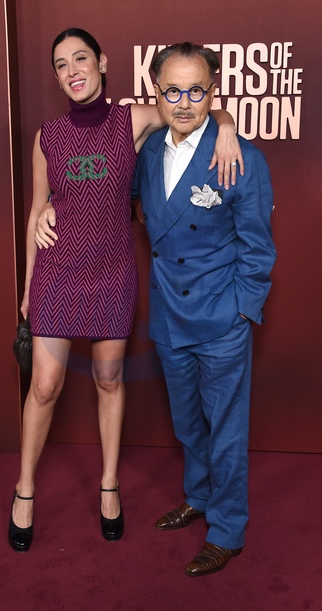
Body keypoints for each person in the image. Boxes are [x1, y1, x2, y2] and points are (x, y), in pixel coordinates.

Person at [9, 28, 243, 553]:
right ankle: (24, 489)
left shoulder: (130, 120)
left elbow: (189, 111)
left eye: (81, 59)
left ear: (102, 62)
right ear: (57, 77)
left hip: (111, 273)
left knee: (109, 379)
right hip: (57, 272)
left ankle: (109, 486)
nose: (72, 70)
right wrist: (27, 287)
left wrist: (226, 124)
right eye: (61, 64)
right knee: (43, 386)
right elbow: (37, 209)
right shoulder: (47, 136)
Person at [132, 42, 276, 576]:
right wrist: (50, 205)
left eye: (196, 90)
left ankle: (228, 529)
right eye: (173, 91)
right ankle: (198, 495)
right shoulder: (148, 152)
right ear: (157, 93)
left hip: (220, 319)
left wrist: (241, 311)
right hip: (168, 314)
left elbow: (258, 247)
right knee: (188, 422)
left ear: (213, 92)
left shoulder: (241, 157)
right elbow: (113, 199)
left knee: (226, 430)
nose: (185, 102)